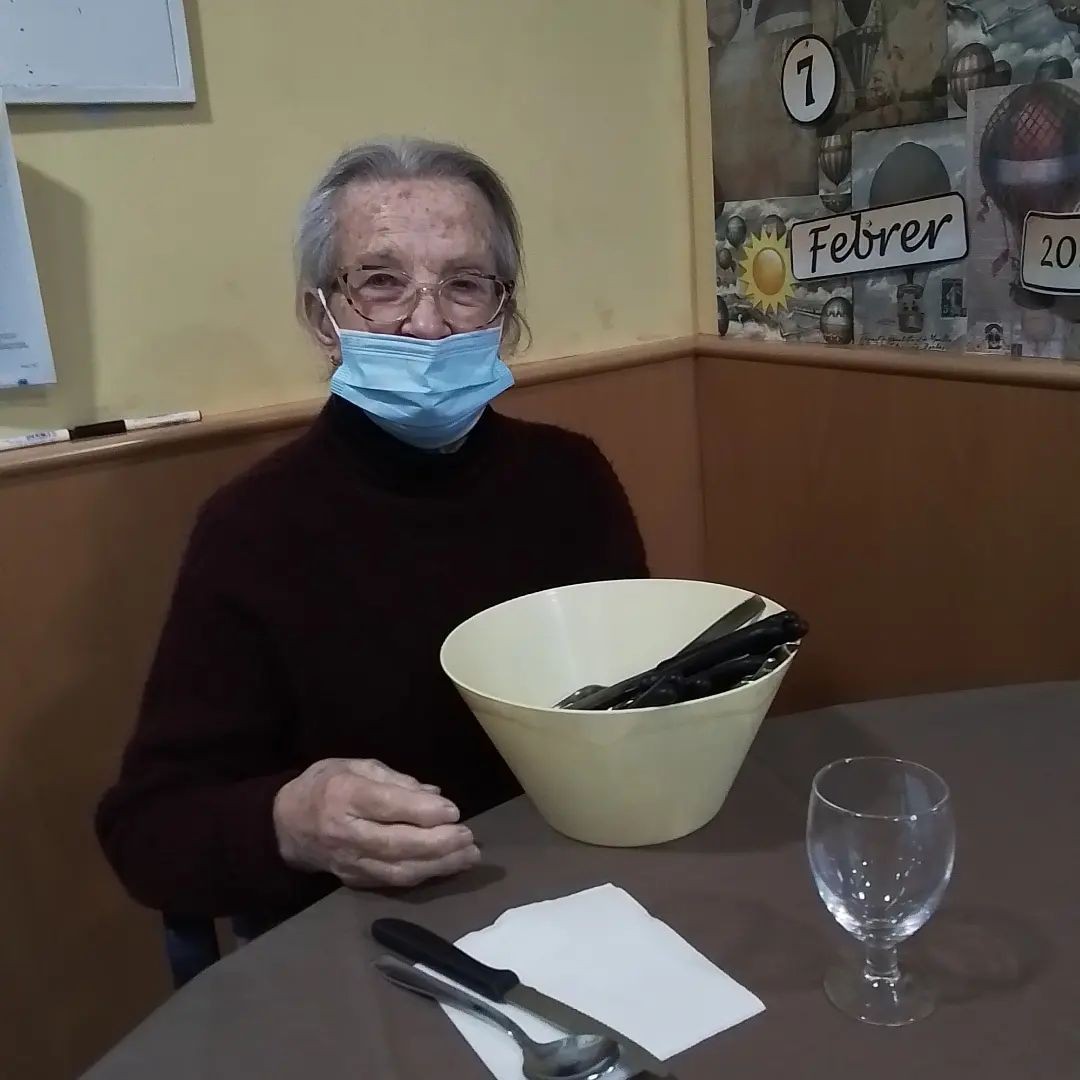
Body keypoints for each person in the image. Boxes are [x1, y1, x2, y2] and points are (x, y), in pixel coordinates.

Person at [96, 137, 648, 924]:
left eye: (464, 285)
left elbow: (639, 701)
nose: (426, 324)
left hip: (587, 890)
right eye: (381, 283)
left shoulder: (571, 479)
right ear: (322, 317)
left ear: (504, 311)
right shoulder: (253, 528)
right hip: (376, 931)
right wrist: (291, 822)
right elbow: (149, 828)